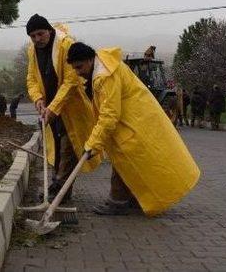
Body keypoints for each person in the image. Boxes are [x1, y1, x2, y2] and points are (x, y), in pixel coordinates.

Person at [66, 42, 200, 216]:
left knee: (123, 163)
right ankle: (133, 199)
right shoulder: (105, 67)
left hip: (132, 124)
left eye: (80, 67)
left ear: (90, 60)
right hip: (134, 122)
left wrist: (93, 143)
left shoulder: (106, 75)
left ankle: (117, 202)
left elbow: (110, 114)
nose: (78, 72)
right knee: (129, 164)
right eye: (75, 68)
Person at [25, 14, 100, 200]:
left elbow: (71, 81)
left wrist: (53, 108)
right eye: (32, 36)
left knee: (69, 148)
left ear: (49, 31)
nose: (37, 39)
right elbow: (32, 79)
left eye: (40, 34)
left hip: (70, 109)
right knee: (56, 149)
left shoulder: (65, 45)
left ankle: (59, 191)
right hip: (49, 110)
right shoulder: (32, 51)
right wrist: (38, 100)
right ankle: (57, 187)